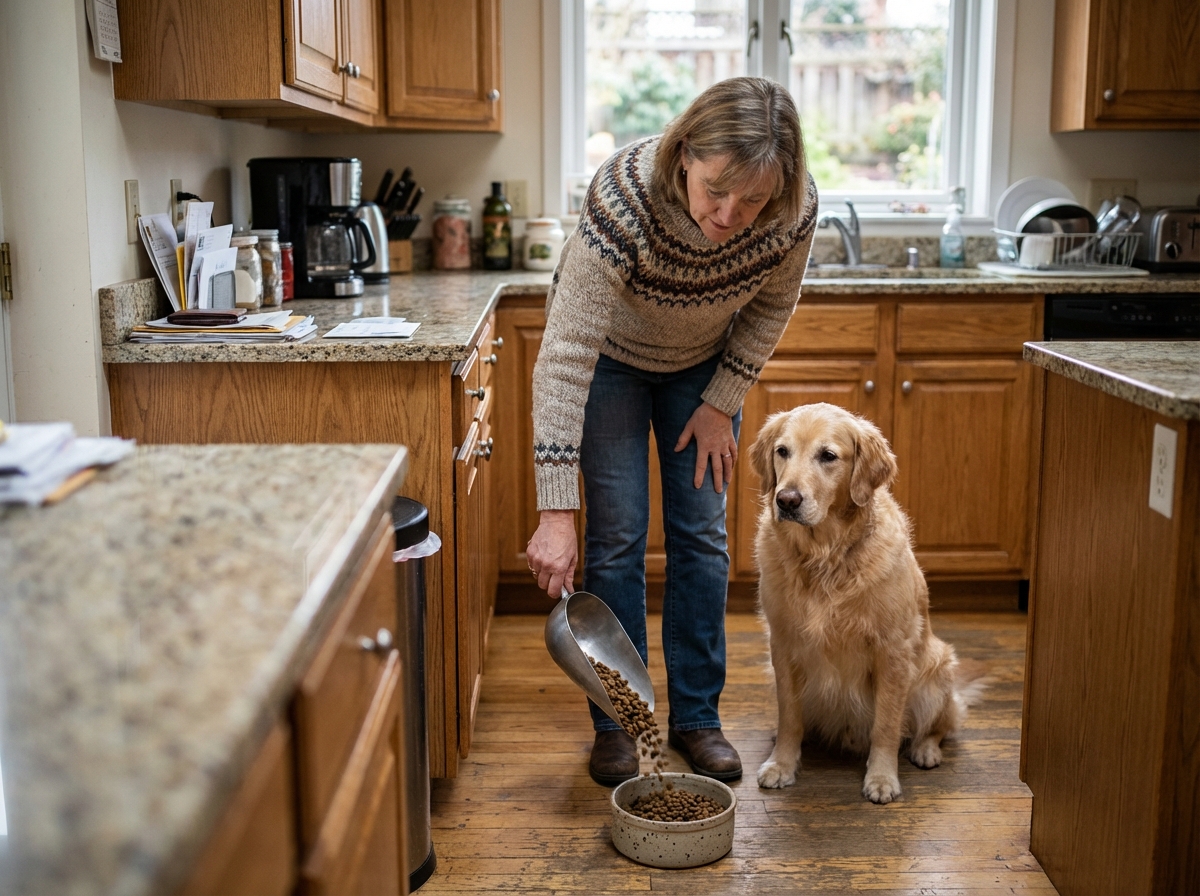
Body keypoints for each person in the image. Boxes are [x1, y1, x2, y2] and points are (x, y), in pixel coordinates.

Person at [526, 76, 818, 786]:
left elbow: (770, 309)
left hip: (702, 367)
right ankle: (620, 722)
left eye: (751, 200)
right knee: (618, 538)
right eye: (717, 189)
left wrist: (722, 400)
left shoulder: (790, 210)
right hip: (610, 362)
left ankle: (696, 718)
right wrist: (555, 509)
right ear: (685, 152)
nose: (729, 214)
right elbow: (564, 355)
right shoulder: (623, 197)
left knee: (702, 535)